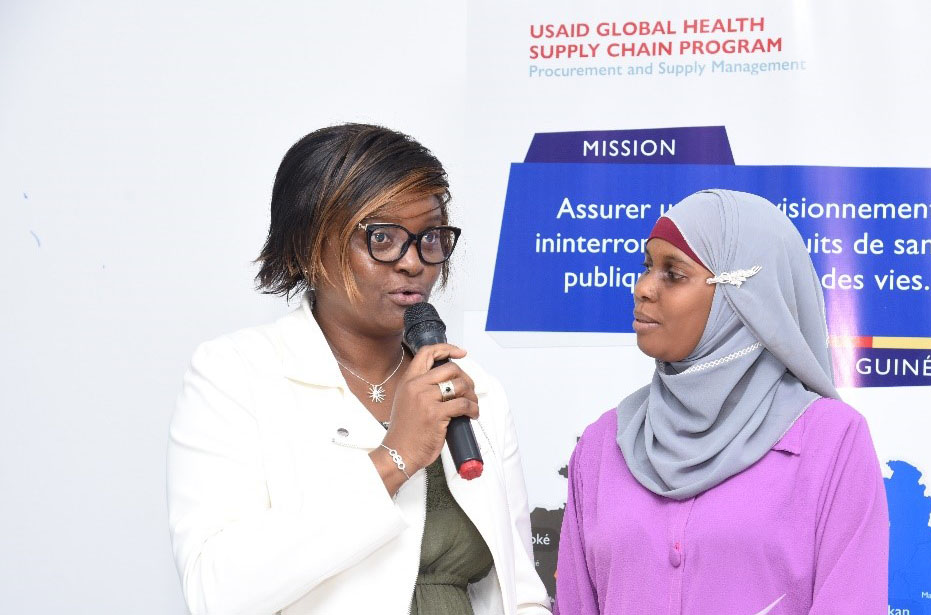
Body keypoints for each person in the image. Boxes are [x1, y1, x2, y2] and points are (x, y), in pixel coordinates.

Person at [167, 124, 550, 615]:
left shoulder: (474, 388)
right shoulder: (235, 375)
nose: (414, 262)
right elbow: (215, 592)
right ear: (307, 245)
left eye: (429, 237)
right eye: (383, 238)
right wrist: (396, 456)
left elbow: (519, 593)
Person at [553, 189, 889, 614]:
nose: (642, 289)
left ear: (742, 295)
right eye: (646, 267)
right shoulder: (602, 445)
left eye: (673, 273)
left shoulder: (831, 441)